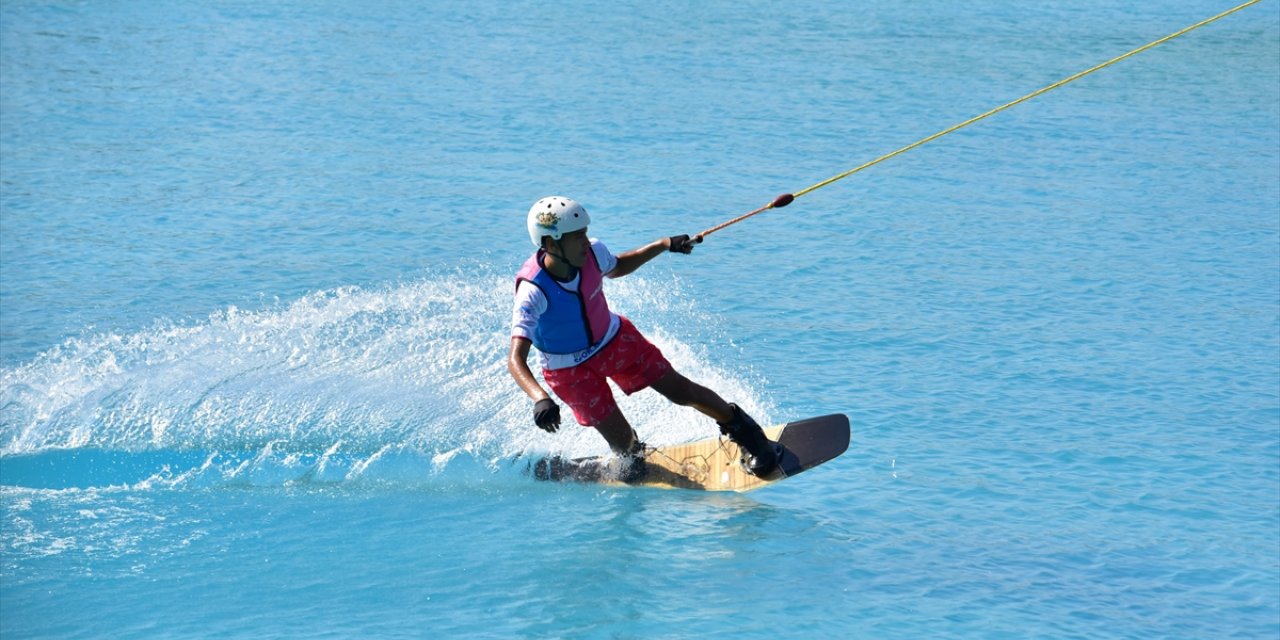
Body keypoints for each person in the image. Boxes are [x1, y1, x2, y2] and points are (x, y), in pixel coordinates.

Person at [507, 196, 778, 479]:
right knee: (625, 450)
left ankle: (747, 432)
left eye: (585, 234)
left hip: (614, 340)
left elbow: (619, 266)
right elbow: (515, 359)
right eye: (577, 238)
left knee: (680, 391)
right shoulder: (532, 290)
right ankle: (632, 453)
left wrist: (662, 245)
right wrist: (540, 398)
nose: (586, 243)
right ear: (551, 244)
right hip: (568, 368)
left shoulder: (593, 253)